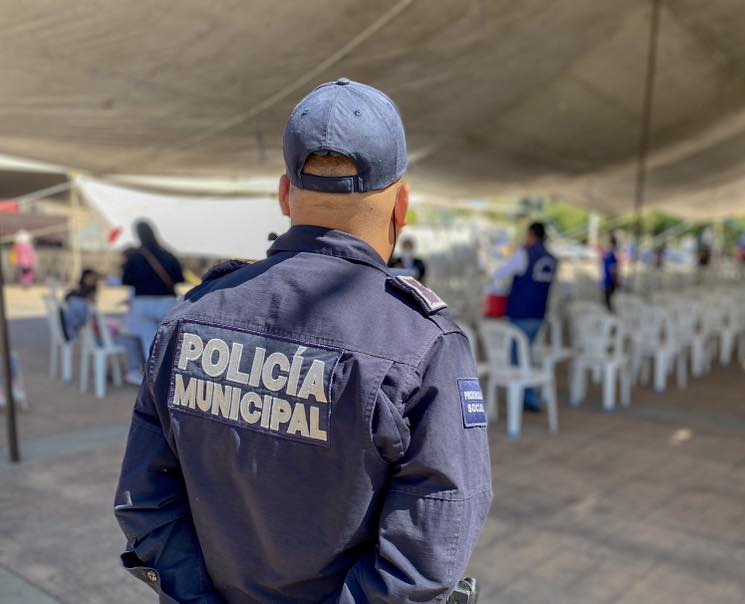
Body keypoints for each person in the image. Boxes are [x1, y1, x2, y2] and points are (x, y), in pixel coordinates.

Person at [114, 78, 492, 603]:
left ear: (285, 193)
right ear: (401, 205)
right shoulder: (422, 341)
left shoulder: (192, 317)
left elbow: (146, 502)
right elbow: (431, 544)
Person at [493, 221, 558, 411]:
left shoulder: (524, 254)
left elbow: (500, 272)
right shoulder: (551, 258)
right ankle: (529, 395)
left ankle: (527, 397)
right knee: (525, 352)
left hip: (521, 312)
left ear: (531, 234)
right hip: (539, 314)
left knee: (518, 357)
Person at [60, 268, 146, 385]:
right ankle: (134, 372)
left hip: (92, 337)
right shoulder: (82, 300)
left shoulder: (77, 297)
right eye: (91, 279)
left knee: (128, 335)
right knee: (134, 340)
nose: (93, 281)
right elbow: (89, 322)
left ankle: (135, 371)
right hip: (98, 339)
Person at [121, 221, 184, 360]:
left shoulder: (135, 257)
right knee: (169, 343)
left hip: (142, 302)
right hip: (166, 302)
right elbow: (179, 278)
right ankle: (169, 377)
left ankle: (153, 378)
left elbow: (126, 281)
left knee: (149, 343)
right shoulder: (168, 254)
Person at [603, 235, 621, 311]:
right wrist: (617, 281)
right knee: (611, 301)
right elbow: (613, 269)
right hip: (611, 281)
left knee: (607, 300)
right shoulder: (613, 254)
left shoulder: (607, 253)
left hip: (606, 280)